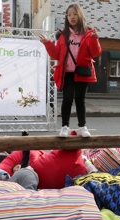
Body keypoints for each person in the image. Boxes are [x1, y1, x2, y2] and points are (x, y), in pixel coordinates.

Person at [39, 3, 101, 138]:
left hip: (82, 71)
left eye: (74, 14)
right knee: (67, 99)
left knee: (80, 100)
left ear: (80, 15)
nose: (72, 17)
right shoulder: (62, 35)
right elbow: (56, 55)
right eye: (69, 15)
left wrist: (95, 40)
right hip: (66, 73)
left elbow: (95, 53)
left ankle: (82, 127)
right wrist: (47, 44)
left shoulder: (89, 34)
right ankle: (64, 127)